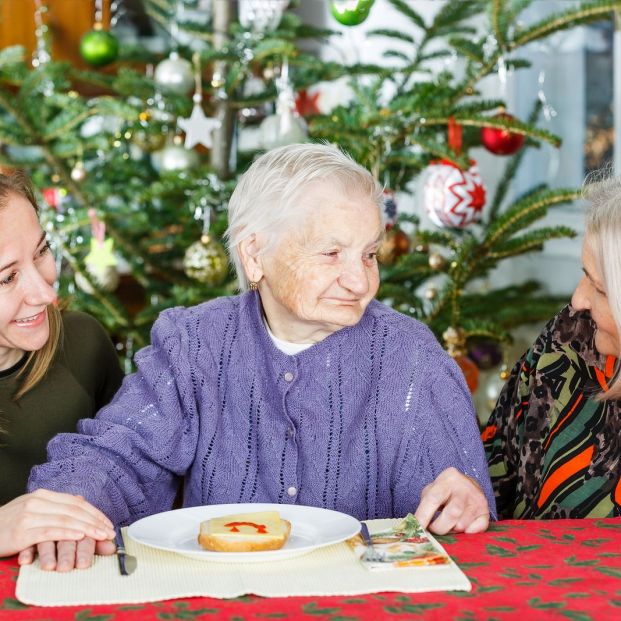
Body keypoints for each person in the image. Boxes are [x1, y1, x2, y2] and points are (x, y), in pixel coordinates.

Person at [27, 143, 495, 571]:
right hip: (218, 599)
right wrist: (68, 505)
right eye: (331, 253)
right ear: (255, 255)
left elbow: (460, 512)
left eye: (369, 254)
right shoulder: (195, 343)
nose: (360, 282)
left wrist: (463, 502)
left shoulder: (411, 359)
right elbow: (119, 454)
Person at [0, 172, 122, 565]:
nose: (46, 293)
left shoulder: (83, 344)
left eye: (41, 252)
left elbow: (132, 470)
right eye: (7, 277)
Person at [484, 174, 621, 519]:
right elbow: (494, 460)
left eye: (600, 289)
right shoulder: (570, 337)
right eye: (584, 274)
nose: (578, 298)